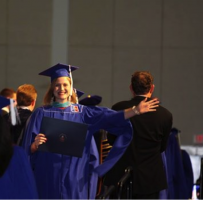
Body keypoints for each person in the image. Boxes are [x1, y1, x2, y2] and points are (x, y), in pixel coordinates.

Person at [22, 64, 159, 200]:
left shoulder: (83, 113)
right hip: (48, 178)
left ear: (71, 88)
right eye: (57, 85)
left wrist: (134, 111)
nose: (61, 89)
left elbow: (109, 117)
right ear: (52, 88)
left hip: (74, 179)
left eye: (65, 85)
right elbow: (27, 151)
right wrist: (34, 146)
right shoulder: (41, 114)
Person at [104, 71, 173, 200]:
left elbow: (111, 140)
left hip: (121, 177)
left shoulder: (119, 108)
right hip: (150, 180)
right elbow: (162, 147)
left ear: (131, 88)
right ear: (152, 88)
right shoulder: (165, 115)